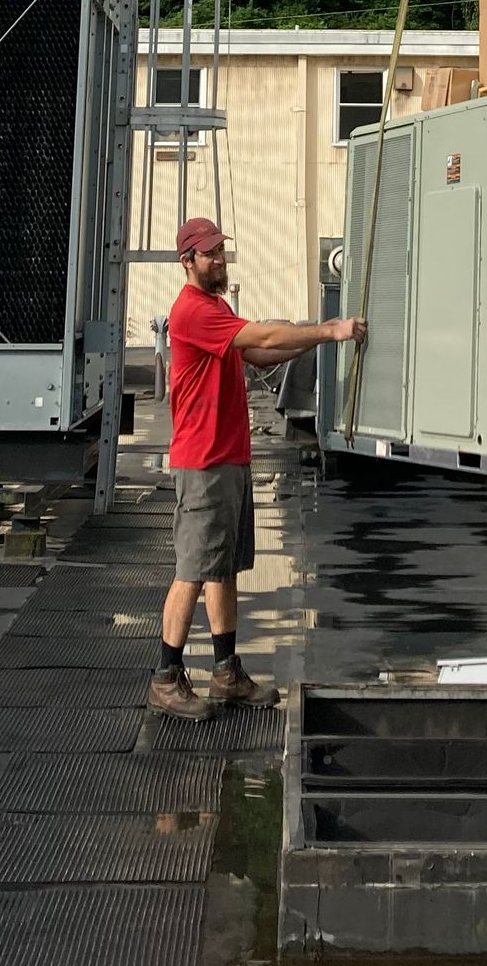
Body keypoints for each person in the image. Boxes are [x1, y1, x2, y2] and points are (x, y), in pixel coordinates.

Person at [150, 214, 367, 721]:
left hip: (228, 459)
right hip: (202, 462)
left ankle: (225, 672)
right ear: (188, 261)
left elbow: (267, 348)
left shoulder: (216, 309)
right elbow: (264, 337)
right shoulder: (192, 312)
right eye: (209, 253)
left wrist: (321, 336)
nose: (219, 259)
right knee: (192, 569)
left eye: (222, 250)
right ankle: (164, 678)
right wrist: (329, 328)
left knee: (221, 568)